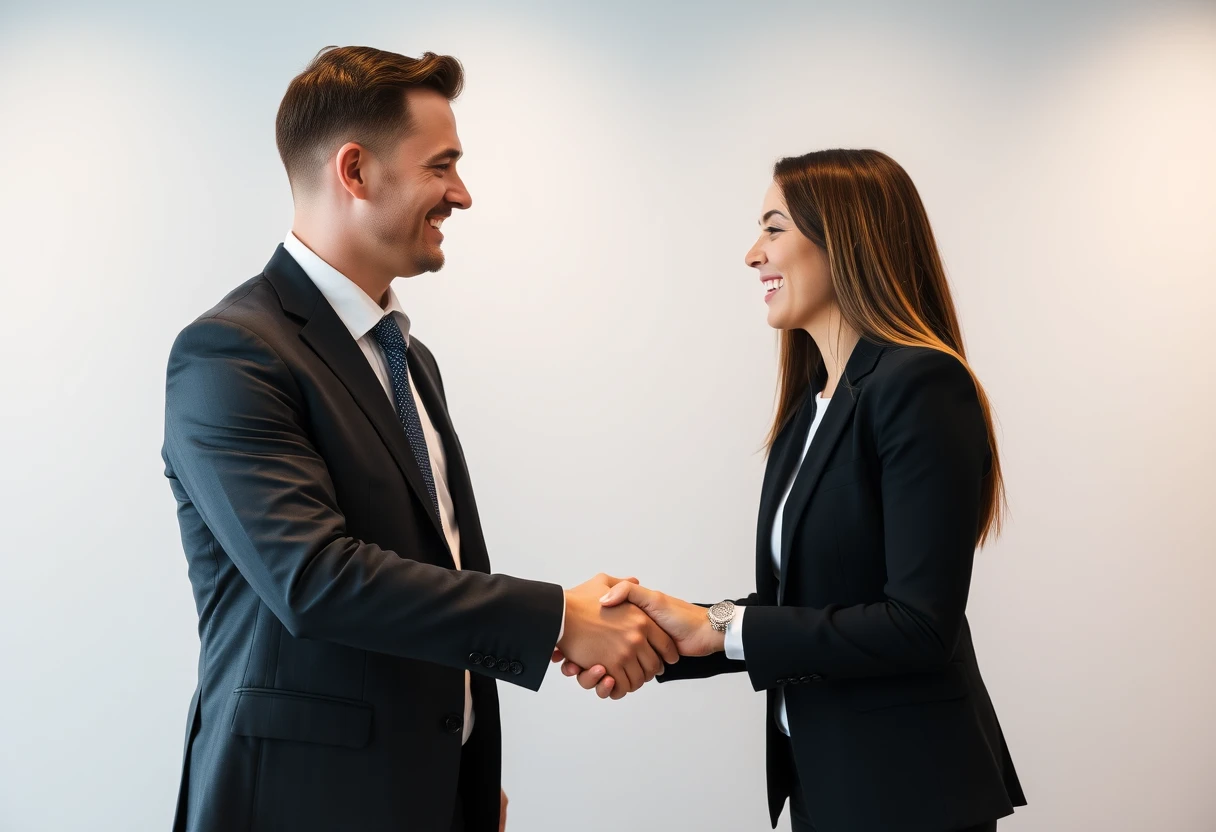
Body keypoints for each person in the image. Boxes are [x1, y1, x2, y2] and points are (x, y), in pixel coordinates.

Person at [162, 46, 676, 832]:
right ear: (356, 171)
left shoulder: (407, 357)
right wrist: (557, 620)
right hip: (299, 804)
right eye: (442, 166)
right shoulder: (232, 352)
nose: (461, 195)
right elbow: (316, 579)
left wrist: (459, 770)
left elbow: (435, 567)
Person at [557, 149, 1027, 831]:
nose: (753, 254)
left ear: (846, 239)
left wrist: (721, 630)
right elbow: (801, 607)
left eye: (774, 228)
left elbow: (920, 625)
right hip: (826, 781)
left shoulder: (920, 385)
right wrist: (658, 628)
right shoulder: (812, 406)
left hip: (908, 794)